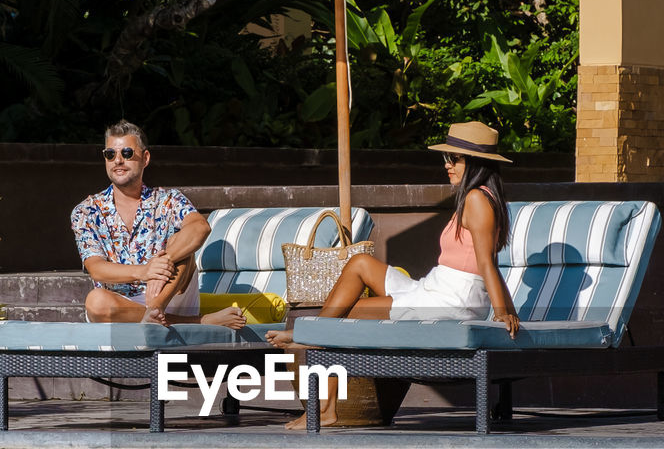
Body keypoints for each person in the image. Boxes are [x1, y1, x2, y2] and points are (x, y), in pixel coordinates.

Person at [265, 120, 520, 427]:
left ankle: (323, 401)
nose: (447, 165)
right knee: (359, 264)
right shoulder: (477, 198)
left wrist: (504, 312)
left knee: (343, 314)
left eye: (455, 159)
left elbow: (486, 264)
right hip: (434, 288)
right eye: (446, 158)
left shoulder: (478, 200)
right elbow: (490, 263)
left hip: (450, 299)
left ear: (476, 163)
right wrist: (508, 309)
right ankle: (312, 335)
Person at [71, 120, 245, 328]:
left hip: (169, 295)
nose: (118, 160)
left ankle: (155, 310)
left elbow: (200, 227)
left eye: (126, 153)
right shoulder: (86, 210)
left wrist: (162, 265)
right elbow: (96, 268)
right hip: (120, 307)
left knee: (182, 243)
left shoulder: (167, 199)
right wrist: (144, 271)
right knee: (96, 301)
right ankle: (199, 322)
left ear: (145, 158)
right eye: (110, 154)